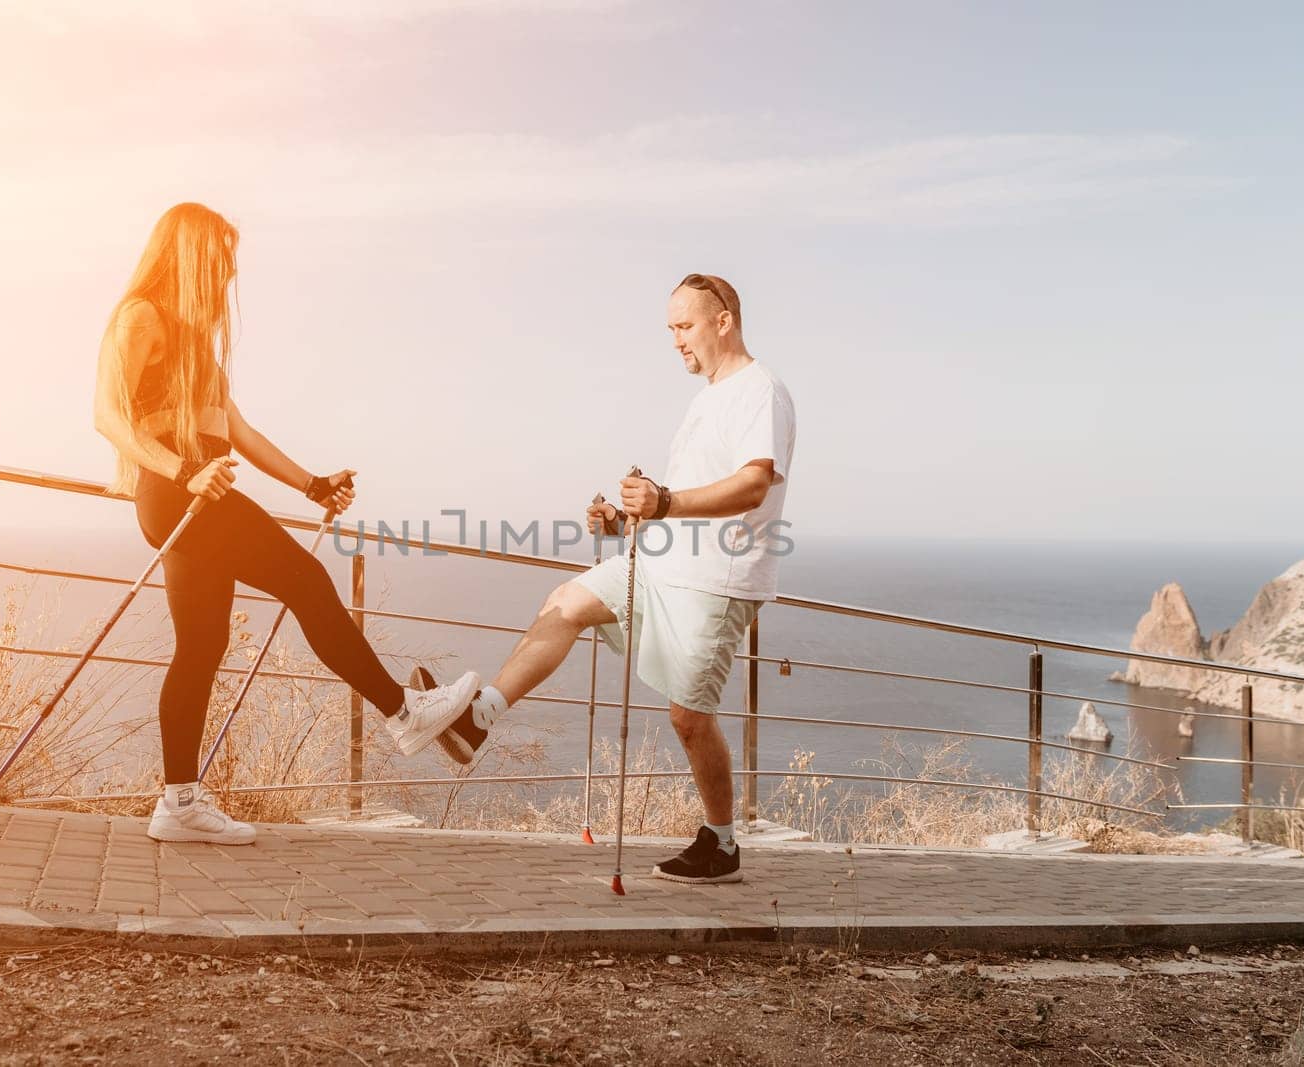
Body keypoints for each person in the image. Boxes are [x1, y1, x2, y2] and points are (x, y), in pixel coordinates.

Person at [93, 202, 480, 846]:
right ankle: (402, 711)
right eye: (219, 260)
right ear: (188, 254)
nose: (227, 275)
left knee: (201, 648)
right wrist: (182, 470)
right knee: (304, 578)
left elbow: (239, 432)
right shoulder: (142, 318)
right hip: (182, 493)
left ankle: (178, 803)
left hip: (193, 495)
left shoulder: (192, 342)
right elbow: (108, 416)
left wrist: (311, 484)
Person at [432, 273, 795, 884]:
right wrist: (629, 518)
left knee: (689, 717)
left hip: (717, 580)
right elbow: (680, 501)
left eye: (685, 326)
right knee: (566, 601)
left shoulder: (761, 391)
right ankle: (477, 718)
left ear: (723, 320)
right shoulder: (706, 397)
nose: (676, 341)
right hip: (658, 564)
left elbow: (755, 482)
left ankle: (723, 844)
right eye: (671, 330)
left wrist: (664, 501)